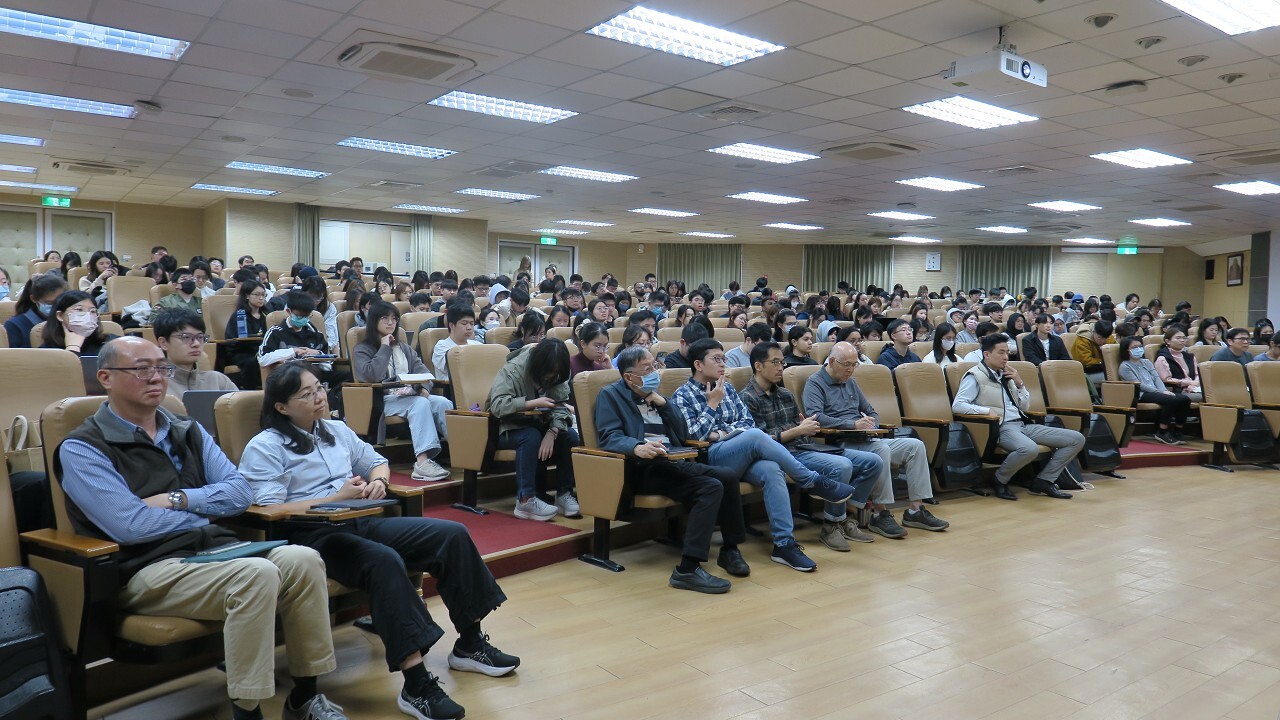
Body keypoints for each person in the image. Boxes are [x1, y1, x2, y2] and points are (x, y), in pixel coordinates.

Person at [57, 337, 345, 720]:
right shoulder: (83, 447)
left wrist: (179, 499)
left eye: (161, 368)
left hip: (213, 552)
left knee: (303, 559)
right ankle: (248, 711)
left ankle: (305, 696)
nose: (156, 377)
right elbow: (130, 526)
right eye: (141, 369)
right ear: (106, 378)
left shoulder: (186, 429)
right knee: (255, 574)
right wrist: (207, 509)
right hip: (148, 567)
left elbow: (239, 493)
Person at [239, 360, 514, 719]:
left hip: (359, 519)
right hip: (310, 537)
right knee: (383, 560)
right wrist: (335, 498)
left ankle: (469, 644)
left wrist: (379, 481)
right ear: (281, 406)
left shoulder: (336, 429)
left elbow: (376, 462)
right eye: (306, 394)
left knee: (451, 535)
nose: (319, 397)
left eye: (319, 388)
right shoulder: (265, 446)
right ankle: (416, 684)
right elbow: (270, 509)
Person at [672, 338, 852, 572]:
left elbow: (746, 421)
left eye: (724, 358)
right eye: (716, 359)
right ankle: (811, 480)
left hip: (740, 452)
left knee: (772, 469)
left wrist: (720, 432)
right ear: (698, 364)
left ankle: (784, 545)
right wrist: (712, 405)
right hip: (711, 458)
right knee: (756, 436)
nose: (723, 363)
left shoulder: (728, 388)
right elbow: (692, 435)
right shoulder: (682, 395)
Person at [597, 346, 749, 592]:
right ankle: (687, 569)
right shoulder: (610, 395)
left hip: (671, 460)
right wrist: (636, 447)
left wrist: (663, 404)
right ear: (628, 377)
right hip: (642, 467)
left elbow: (682, 431)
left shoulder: (654, 393)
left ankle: (730, 550)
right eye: (647, 368)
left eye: (655, 366)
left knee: (728, 476)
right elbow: (608, 436)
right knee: (710, 487)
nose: (654, 372)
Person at [741, 342, 883, 553]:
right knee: (842, 465)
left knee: (874, 461)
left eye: (782, 362)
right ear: (758, 366)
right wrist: (797, 430)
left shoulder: (785, 394)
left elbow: (799, 427)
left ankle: (847, 516)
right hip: (784, 454)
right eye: (775, 362)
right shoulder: (747, 398)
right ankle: (831, 526)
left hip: (805, 447)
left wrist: (803, 428)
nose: (781, 368)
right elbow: (759, 442)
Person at [803, 342, 949, 536]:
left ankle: (915, 510)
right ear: (831, 361)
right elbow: (816, 417)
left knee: (915, 446)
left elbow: (871, 411)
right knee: (882, 450)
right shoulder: (815, 383)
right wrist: (852, 425)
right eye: (846, 365)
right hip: (840, 442)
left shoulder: (851, 382)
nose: (851, 370)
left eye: (854, 364)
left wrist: (872, 425)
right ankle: (880, 513)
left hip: (867, 438)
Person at [952, 334, 1084, 501]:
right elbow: (958, 405)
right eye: (1001, 352)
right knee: (1029, 449)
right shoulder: (975, 376)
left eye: (1007, 352)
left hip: (1022, 424)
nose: (1006, 357)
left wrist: (1019, 383)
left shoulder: (1007, 375)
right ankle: (999, 479)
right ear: (987, 354)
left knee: (1076, 439)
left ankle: (1044, 480)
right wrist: (985, 411)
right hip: (1001, 427)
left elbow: (1025, 407)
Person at [353, 303, 454, 482]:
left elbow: (424, 373)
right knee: (420, 404)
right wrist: (384, 347)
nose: (390, 322)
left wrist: (423, 389)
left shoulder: (404, 348)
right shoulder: (362, 349)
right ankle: (422, 463)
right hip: (380, 400)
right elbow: (371, 376)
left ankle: (461, 453)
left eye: (394, 319)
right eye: (385, 318)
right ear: (374, 320)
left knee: (442, 402)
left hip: (408, 395)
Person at [487, 339, 581, 521]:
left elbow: (561, 406)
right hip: (505, 428)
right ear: (539, 365)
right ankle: (525, 500)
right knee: (530, 436)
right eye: (549, 372)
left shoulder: (560, 372)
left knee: (569, 435)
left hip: (540, 425)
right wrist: (531, 403)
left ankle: (564, 494)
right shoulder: (514, 369)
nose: (552, 376)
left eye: (556, 373)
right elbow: (497, 406)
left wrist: (552, 432)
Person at [258, 291, 350, 399]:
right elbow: (263, 359)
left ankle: (331, 401)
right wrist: (293, 351)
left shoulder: (315, 333)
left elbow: (328, 362)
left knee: (349, 376)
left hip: (315, 374)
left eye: (306, 316)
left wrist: (317, 353)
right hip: (289, 376)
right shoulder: (276, 332)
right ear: (289, 311)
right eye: (299, 316)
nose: (303, 319)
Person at [1117, 336, 1190, 445]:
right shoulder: (1125, 366)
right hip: (1141, 394)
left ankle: (1178, 430)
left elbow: (1156, 378)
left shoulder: (1146, 362)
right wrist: (1160, 392)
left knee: (1185, 399)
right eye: (1134, 347)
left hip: (1157, 391)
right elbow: (1139, 385)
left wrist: (1163, 390)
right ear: (1126, 350)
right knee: (1171, 400)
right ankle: (1162, 432)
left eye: (1140, 346)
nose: (1138, 349)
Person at [153, 309, 238, 396]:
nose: (196, 344)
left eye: (200, 337)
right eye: (186, 337)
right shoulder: (154, 384)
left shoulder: (218, 380)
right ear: (163, 343)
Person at [40, 290, 118, 355]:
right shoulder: (45, 352)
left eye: (93, 311)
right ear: (60, 315)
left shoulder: (112, 343)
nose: (88, 316)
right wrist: (73, 348)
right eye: (79, 310)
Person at [224, 280, 269, 389]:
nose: (261, 298)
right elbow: (242, 339)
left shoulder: (267, 314)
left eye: (263, 295)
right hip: (242, 351)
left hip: (261, 350)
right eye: (257, 295)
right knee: (251, 362)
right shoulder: (240, 315)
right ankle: (251, 392)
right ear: (247, 295)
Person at [6, 273, 67, 348]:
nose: (56, 306)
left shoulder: (70, 320)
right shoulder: (15, 325)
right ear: (33, 299)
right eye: (49, 303)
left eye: (60, 301)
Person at [431, 303, 483, 381]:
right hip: (452, 387)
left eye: (472, 324)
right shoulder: (441, 346)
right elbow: (452, 369)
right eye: (464, 323)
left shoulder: (477, 345)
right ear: (451, 325)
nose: (469, 328)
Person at [1154, 325, 1202, 402]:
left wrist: (1195, 383)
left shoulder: (1190, 357)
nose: (1182, 340)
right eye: (1178, 338)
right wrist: (1187, 382)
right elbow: (1166, 380)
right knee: (1207, 397)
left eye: (1184, 338)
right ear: (1167, 341)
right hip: (1176, 391)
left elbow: (1197, 374)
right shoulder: (1162, 358)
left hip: (1195, 388)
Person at [1072, 320, 1113, 387]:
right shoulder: (1082, 340)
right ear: (1094, 332)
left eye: (1106, 338)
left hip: (1105, 369)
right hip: (1086, 372)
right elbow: (1086, 362)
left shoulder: (1108, 336)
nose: (1102, 341)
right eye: (1099, 338)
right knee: (1110, 378)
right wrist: (1103, 361)